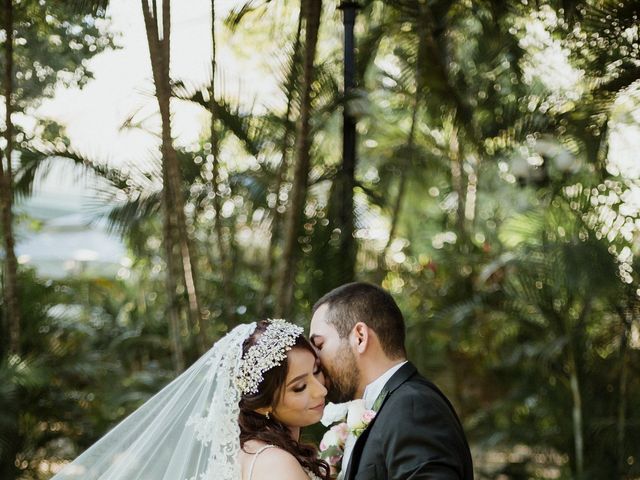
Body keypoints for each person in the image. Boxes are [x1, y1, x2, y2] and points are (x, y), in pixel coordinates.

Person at [50, 319, 330, 480]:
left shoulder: (249, 450)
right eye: (300, 387)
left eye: (317, 372)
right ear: (262, 403)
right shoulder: (274, 464)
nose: (321, 390)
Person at [310, 282, 474, 480]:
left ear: (360, 337)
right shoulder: (391, 405)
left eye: (319, 345)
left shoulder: (412, 406)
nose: (315, 361)